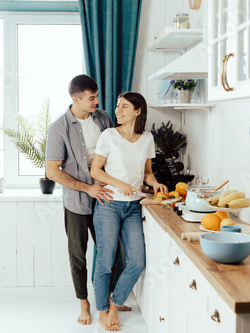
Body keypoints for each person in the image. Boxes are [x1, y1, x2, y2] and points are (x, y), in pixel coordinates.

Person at [46, 74, 130, 326]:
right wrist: (87, 188)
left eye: (96, 96)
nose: (97, 101)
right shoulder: (59, 128)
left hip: (107, 198)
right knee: (79, 255)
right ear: (76, 99)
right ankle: (84, 303)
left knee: (112, 251)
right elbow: (52, 171)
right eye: (92, 98)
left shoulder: (102, 118)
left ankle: (110, 299)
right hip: (78, 202)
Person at [90, 91, 168, 331]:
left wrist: (154, 184)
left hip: (134, 206)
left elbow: (147, 172)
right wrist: (118, 183)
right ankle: (103, 310)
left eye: (124, 107)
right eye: (117, 106)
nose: (118, 111)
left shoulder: (147, 139)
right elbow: (96, 171)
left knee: (137, 261)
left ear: (138, 111)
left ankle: (115, 303)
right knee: (105, 260)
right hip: (109, 205)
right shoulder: (109, 135)